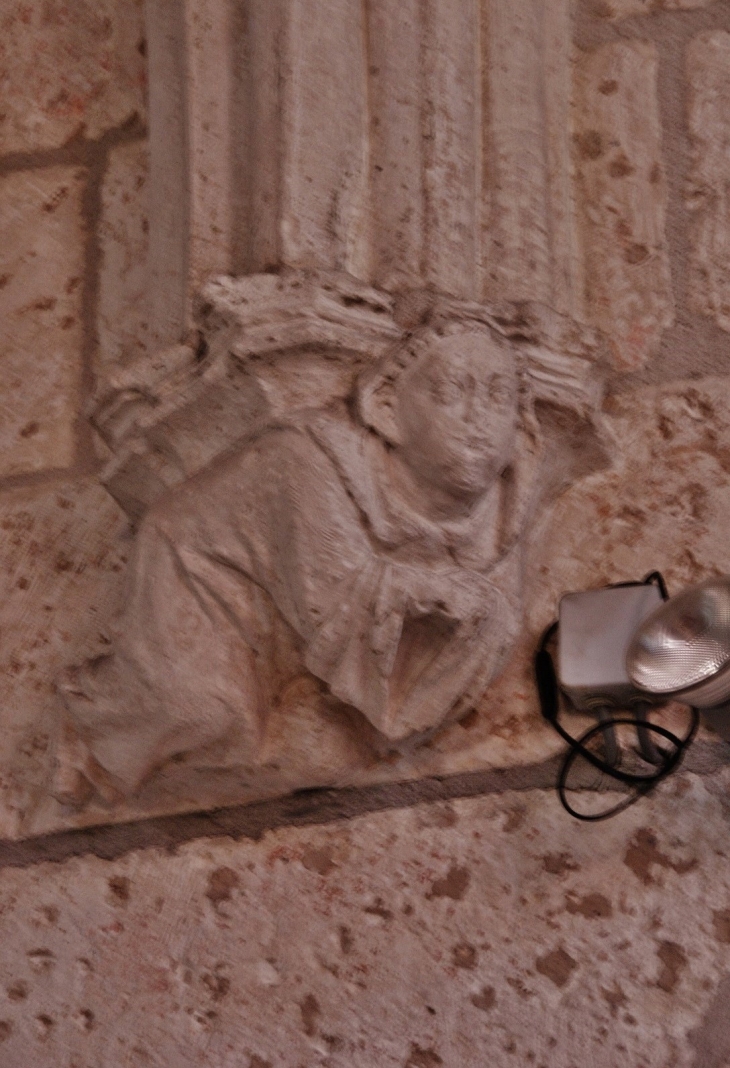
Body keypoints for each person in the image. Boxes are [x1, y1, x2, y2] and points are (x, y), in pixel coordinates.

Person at [55, 304, 603, 804]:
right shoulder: (307, 455)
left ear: (521, 429)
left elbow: (497, 618)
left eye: (498, 395)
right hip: (202, 577)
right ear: (386, 408)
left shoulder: (508, 500)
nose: (477, 417)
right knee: (202, 716)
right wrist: (428, 592)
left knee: (313, 746)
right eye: (452, 389)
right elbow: (333, 600)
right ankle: (92, 732)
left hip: (295, 614)